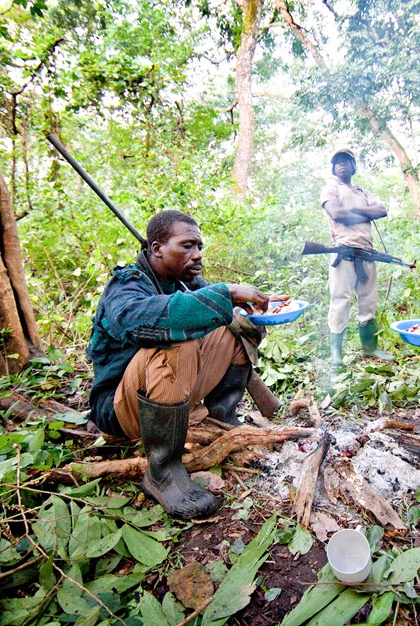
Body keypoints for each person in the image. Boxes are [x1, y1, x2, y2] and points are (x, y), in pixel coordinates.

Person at [88, 209, 279, 520]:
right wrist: (226, 292)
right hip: (120, 409)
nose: (197, 255)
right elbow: (148, 321)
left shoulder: (184, 282)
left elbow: (215, 309)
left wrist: (244, 313)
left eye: (199, 246)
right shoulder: (125, 286)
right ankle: (161, 471)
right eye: (187, 246)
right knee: (179, 334)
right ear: (157, 249)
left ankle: (222, 417)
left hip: (166, 395)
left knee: (231, 322)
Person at [321, 149, 393, 366]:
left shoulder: (363, 191)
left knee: (368, 302)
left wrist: (351, 212)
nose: (342, 165)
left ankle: (370, 348)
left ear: (354, 166)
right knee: (340, 302)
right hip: (344, 252)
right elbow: (336, 214)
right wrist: (364, 213)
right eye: (337, 162)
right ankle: (336, 354)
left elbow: (381, 210)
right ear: (333, 168)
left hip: (367, 252)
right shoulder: (331, 188)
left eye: (346, 161)